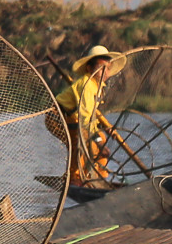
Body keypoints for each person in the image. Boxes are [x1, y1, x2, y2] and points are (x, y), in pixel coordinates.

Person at [54, 45, 126, 184]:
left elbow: (92, 113)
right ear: (89, 69)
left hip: (74, 119)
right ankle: (75, 178)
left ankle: (99, 176)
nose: (105, 72)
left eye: (108, 69)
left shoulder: (97, 86)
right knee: (85, 142)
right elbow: (86, 117)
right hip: (58, 117)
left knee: (100, 138)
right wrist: (98, 143)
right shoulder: (87, 85)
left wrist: (103, 128)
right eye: (101, 68)